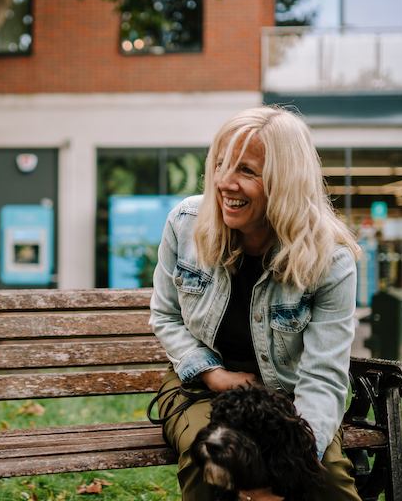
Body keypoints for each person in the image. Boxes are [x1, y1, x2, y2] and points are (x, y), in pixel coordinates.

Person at [149, 106, 362, 501]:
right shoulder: (185, 223)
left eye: (246, 171)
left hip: (286, 393)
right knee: (211, 459)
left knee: (326, 479)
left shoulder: (329, 259)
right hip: (201, 387)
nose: (224, 183)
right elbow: (165, 315)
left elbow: (323, 375)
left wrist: (295, 465)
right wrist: (215, 375)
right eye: (221, 165)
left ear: (285, 181)